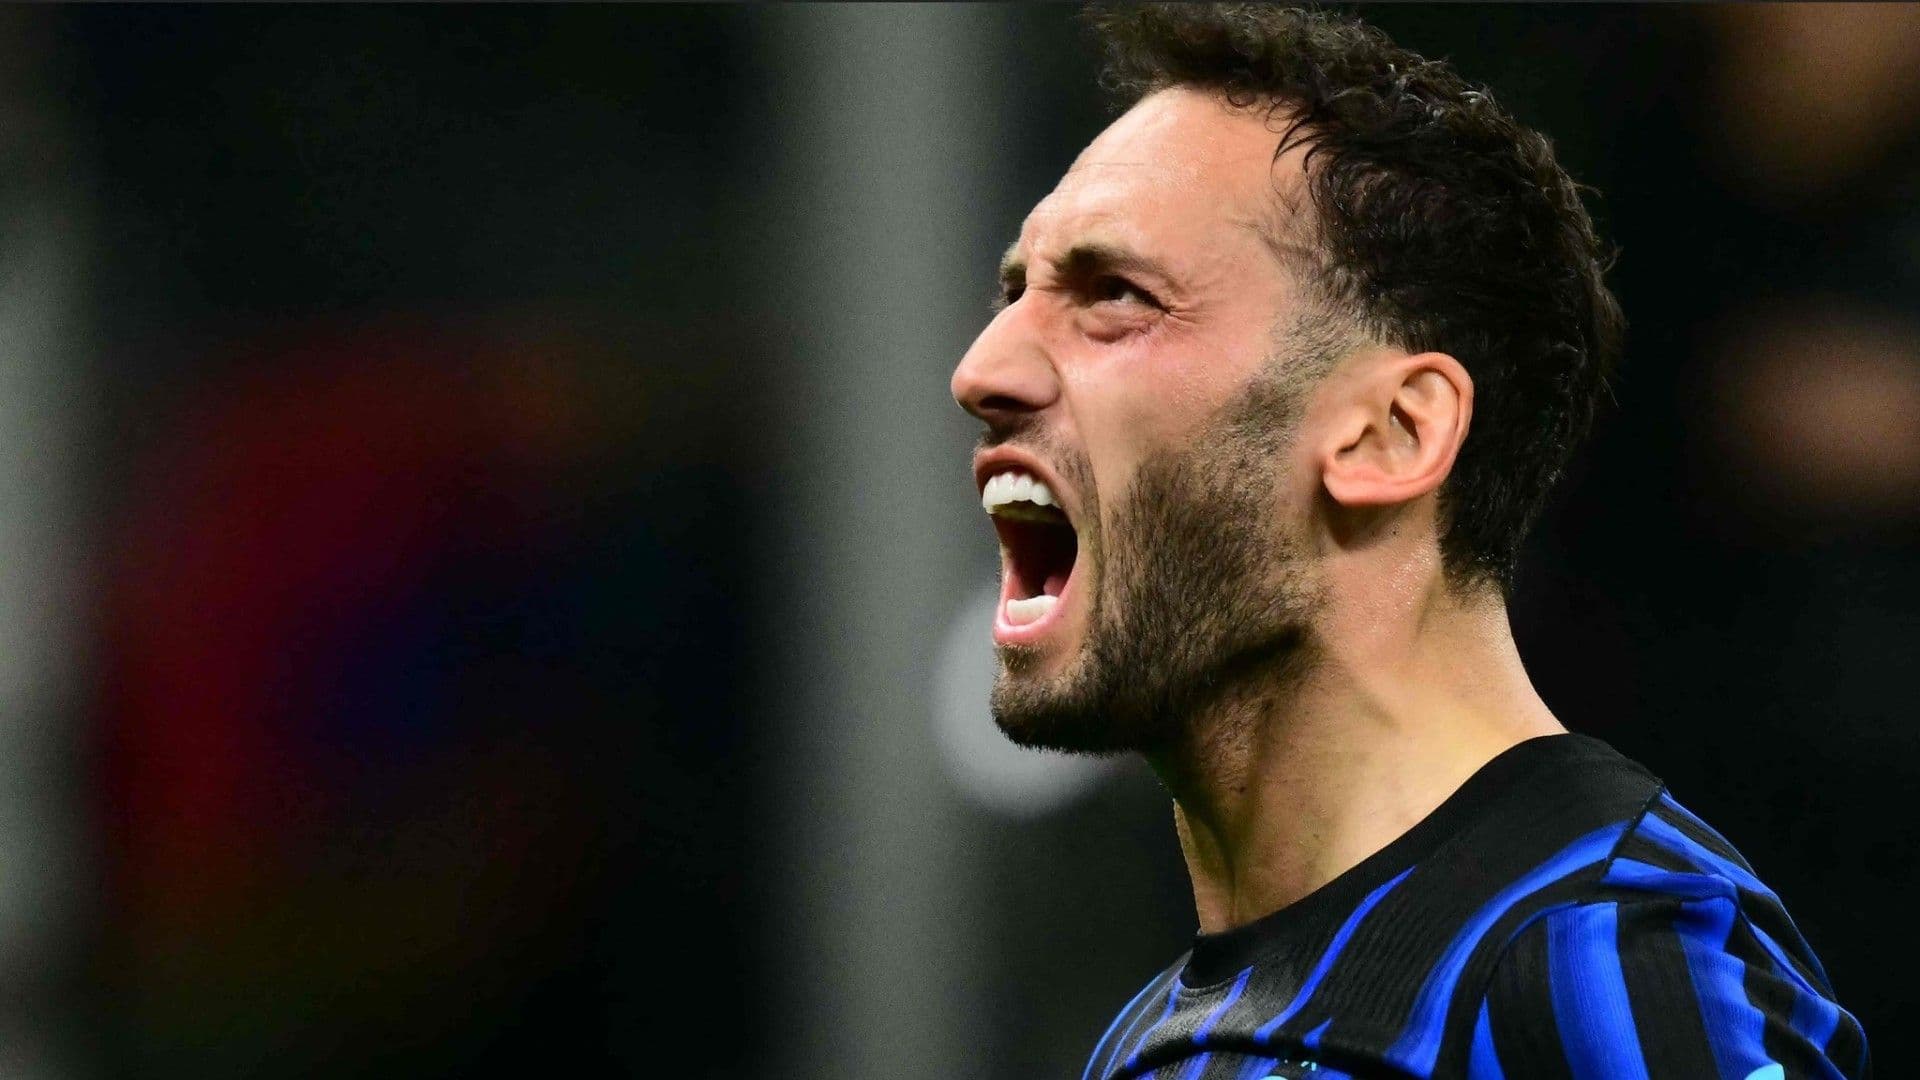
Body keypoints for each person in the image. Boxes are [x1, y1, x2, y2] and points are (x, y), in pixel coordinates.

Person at [948, 6, 1869, 1078]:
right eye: (1016, 292)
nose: (982, 368)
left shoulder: (1601, 957)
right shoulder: (1158, 1038)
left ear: (1392, 433)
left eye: (1116, 296)